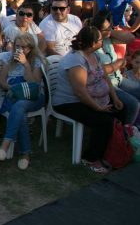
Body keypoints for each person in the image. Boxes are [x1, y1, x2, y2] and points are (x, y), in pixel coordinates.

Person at [52, 26, 124, 174]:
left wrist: (114, 97)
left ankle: (113, 150)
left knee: (122, 109)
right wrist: (98, 108)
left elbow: (104, 77)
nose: (102, 41)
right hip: (69, 102)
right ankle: (90, 158)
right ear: (92, 43)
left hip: (90, 97)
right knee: (103, 120)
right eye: (99, 39)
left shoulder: (94, 55)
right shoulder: (76, 60)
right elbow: (80, 92)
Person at [0, 33, 46, 170]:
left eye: (24, 47)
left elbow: (34, 84)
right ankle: (25, 154)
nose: (20, 50)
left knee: (20, 105)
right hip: (15, 95)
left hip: (34, 97)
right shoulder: (8, 57)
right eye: (17, 46)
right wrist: (13, 89)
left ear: (30, 48)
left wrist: (26, 65)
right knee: (20, 108)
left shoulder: (37, 60)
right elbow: (0, 80)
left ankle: (5, 143)